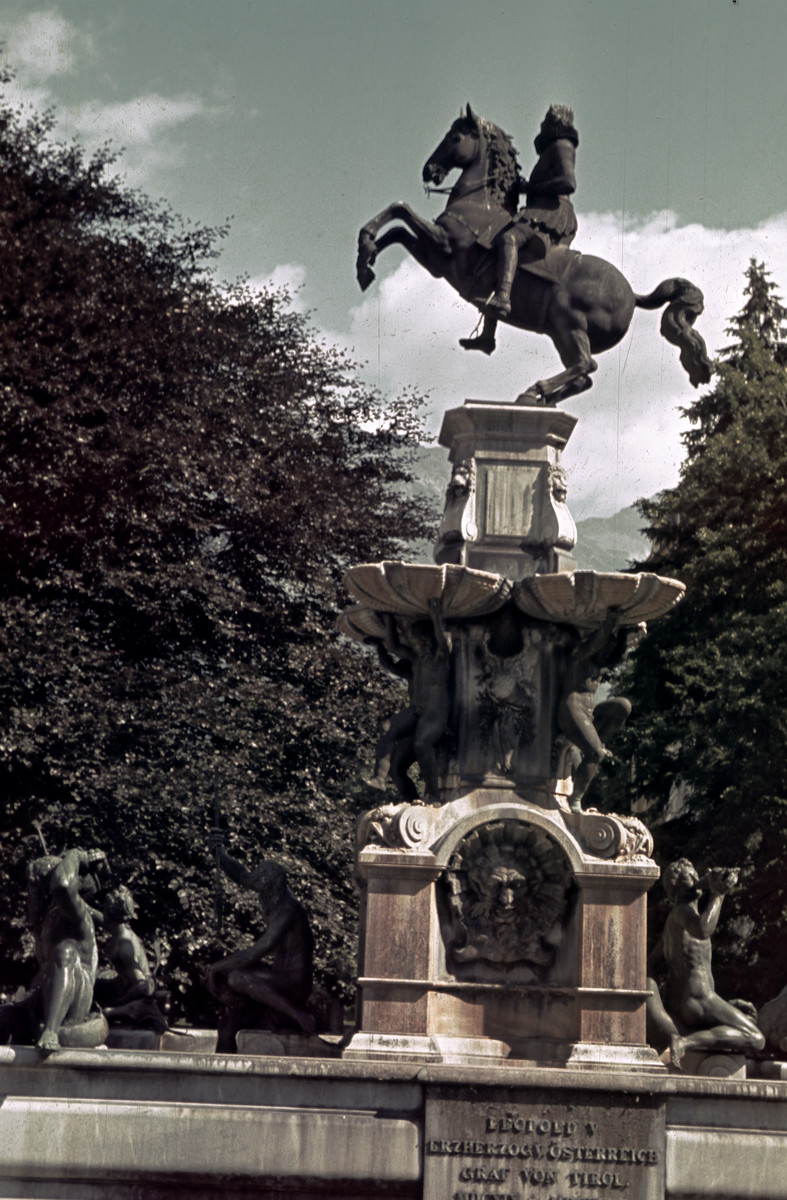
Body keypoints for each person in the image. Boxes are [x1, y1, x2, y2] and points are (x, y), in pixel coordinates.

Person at [460, 103, 579, 356]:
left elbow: (568, 182)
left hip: (552, 213)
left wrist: (533, 190)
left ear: (558, 122)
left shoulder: (562, 146)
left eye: (548, 120)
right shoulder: (550, 149)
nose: (542, 124)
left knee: (509, 239)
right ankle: (487, 336)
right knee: (497, 248)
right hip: (540, 208)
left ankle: (503, 298)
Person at [647, 860, 765, 1069]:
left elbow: (652, 963)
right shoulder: (683, 912)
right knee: (755, 1038)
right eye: (688, 877)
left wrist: (725, 1005)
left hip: (690, 1001)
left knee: (745, 1027)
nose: (695, 879)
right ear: (676, 887)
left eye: (695, 875)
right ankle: (685, 1042)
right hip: (699, 999)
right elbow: (703, 930)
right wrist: (719, 894)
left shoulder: (672, 921)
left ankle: (687, 1039)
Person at [205, 836, 315, 1053]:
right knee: (227, 1026)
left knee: (237, 977)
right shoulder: (274, 895)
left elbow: (256, 952)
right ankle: (221, 1081)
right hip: (276, 983)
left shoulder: (286, 910)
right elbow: (242, 876)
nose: (256, 890)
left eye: (260, 887)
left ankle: (299, 1015)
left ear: (271, 886)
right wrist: (220, 855)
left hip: (293, 984)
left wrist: (217, 967)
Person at [0, 847, 109, 1054]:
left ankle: (51, 1031)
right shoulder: (49, 919)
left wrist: (76, 854)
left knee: (65, 951)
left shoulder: (77, 913)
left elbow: (63, 886)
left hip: (76, 998)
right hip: (41, 1001)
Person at [365, 599, 452, 802]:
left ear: (427, 639)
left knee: (422, 745)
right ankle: (379, 778)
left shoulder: (440, 657)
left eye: (418, 639)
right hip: (418, 710)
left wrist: (436, 615)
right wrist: (388, 621)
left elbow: (445, 642)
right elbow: (394, 646)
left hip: (435, 712)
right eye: (413, 640)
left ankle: (434, 794)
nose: (415, 643)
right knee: (387, 728)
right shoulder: (417, 660)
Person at [556, 612, 634, 811]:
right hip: (571, 708)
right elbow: (597, 642)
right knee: (595, 755)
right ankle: (575, 800)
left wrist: (625, 630)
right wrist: (612, 619)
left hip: (588, 712)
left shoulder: (599, 664)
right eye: (605, 648)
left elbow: (618, 654)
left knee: (622, 705)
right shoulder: (579, 656)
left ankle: (599, 742)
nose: (606, 653)